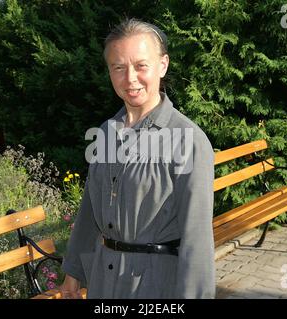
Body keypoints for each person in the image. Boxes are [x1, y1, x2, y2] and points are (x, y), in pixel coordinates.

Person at [58, 18, 215, 299]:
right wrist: (73, 272)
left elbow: (198, 242)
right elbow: (88, 213)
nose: (130, 78)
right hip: (103, 282)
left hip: (154, 286)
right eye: (119, 67)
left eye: (141, 65)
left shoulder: (188, 141)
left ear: (162, 65)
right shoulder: (105, 133)